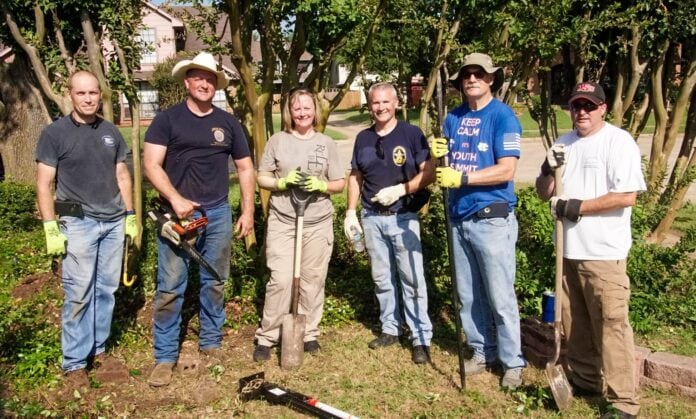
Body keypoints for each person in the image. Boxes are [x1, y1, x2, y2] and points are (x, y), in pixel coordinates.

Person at [143, 52, 255, 387]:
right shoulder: (167, 120)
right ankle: (164, 356)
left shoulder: (228, 123)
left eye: (210, 79)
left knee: (215, 280)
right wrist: (176, 199)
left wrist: (247, 210)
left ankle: (211, 341)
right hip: (180, 216)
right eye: (197, 77)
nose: (204, 83)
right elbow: (150, 165)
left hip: (218, 212)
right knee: (170, 286)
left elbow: (246, 168)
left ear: (216, 85)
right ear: (187, 82)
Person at [536, 82, 644, 419]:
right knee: (575, 322)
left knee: (611, 325)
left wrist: (577, 207)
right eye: (576, 106)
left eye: (589, 106)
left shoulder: (618, 142)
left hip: (603, 253)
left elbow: (626, 195)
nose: (582, 112)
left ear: (602, 108)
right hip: (566, 251)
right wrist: (545, 170)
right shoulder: (563, 144)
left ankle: (623, 401)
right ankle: (584, 379)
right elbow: (544, 193)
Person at [35, 70, 137, 389]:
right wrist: (51, 227)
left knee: (105, 290)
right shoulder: (55, 134)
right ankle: (75, 363)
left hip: (113, 222)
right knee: (79, 293)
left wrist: (131, 215)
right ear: (71, 95)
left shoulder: (111, 133)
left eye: (93, 93)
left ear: (100, 95)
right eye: (81, 94)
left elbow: (122, 175)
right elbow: (44, 183)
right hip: (77, 223)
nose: (88, 99)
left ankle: (99, 350)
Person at [429, 53, 525, 388]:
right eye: (466, 74)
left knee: (500, 296)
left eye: (479, 74)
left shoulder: (503, 117)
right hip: (459, 217)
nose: (472, 79)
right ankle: (483, 350)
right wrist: (437, 152)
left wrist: (464, 179)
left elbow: (507, 169)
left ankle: (513, 362)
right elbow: (444, 166)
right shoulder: (452, 117)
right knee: (467, 296)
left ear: (491, 79)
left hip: (491, 217)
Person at [252, 88, 345, 362]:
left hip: (317, 222)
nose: (302, 113)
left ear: (314, 110)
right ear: (289, 113)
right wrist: (281, 182)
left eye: (307, 108)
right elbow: (262, 176)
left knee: (312, 280)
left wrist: (322, 185)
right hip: (283, 220)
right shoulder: (277, 141)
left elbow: (339, 183)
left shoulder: (326, 143)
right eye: (297, 109)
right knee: (280, 279)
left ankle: (308, 333)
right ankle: (267, 336)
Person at [344, 82, 434, 364]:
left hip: (403, 217)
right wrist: (350, 211)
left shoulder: (412, 134)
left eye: (385, 102)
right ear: (369, 106)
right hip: (371, 219)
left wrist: (401, 190)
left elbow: (429, 172)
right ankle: (390, 329)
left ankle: (420, 337)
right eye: (375, 103)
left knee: (412, 279)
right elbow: (356, 176)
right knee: (382, 279)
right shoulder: (363, 138)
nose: (380, 108)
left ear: (396, 103)